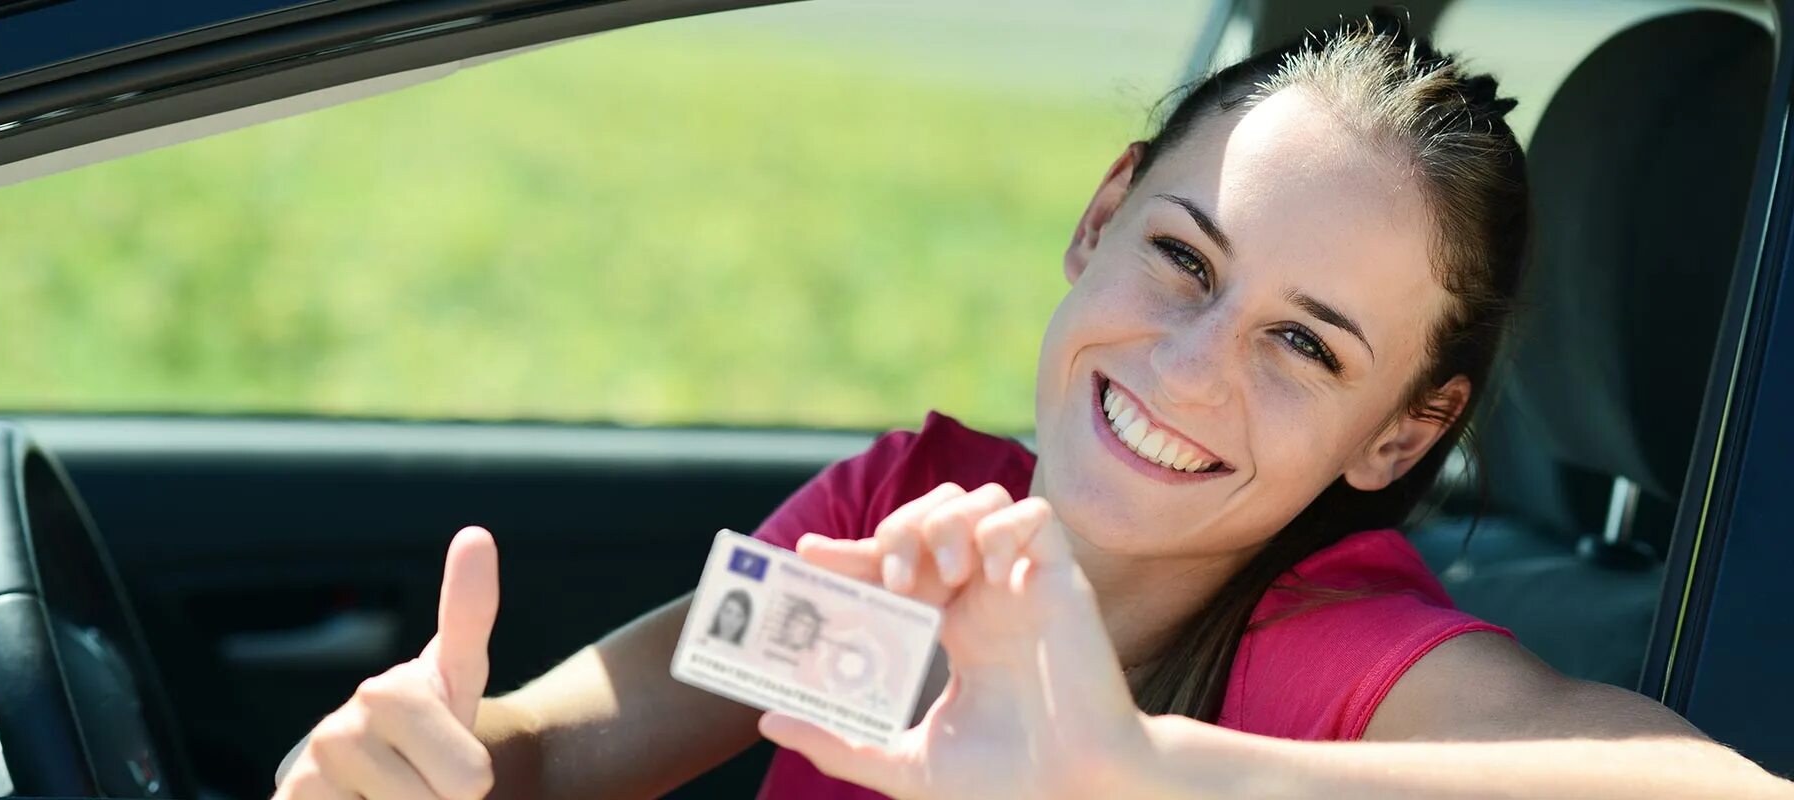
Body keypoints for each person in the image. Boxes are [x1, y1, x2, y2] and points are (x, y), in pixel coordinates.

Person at [271, 14, 1794, 800]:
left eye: (1307, 347)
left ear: (1403, 432)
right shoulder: (909, 524)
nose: (1192, 367)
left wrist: (1149, 776)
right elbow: (555, 756)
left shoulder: (1345, 659)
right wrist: (412, 763)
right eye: (1183, 258)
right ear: (1100, 215)